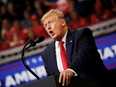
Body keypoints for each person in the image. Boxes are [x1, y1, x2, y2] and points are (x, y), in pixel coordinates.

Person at [41, 10, 110, 86]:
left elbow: (84, 54)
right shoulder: (46, 53)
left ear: (63, 22)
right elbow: (52, 78)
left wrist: (71, 70)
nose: (48, 27)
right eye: (45, 25)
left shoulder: (82, 34)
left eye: (51, 22)